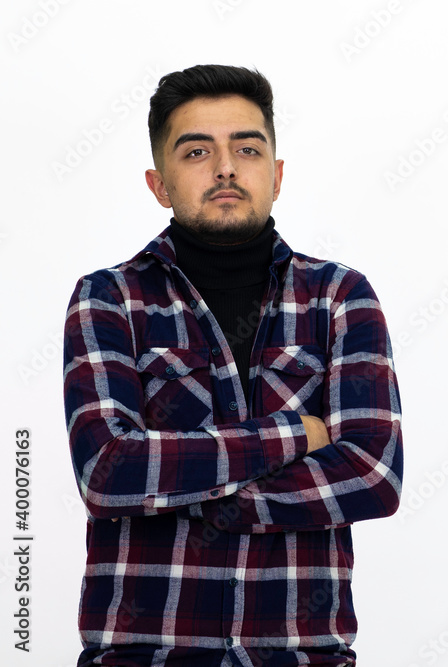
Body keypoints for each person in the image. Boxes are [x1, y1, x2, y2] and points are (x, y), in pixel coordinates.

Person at [62, 64, 403, 667]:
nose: (225, 166)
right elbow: (108, 472)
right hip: (144, 656)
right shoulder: (107, 299)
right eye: (196, 151)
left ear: (275, 174)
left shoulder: (339, 296)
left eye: (246, 147)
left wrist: (200, 499)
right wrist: (300, 437)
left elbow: (374, 473)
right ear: (158, 183)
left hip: (304, 655)